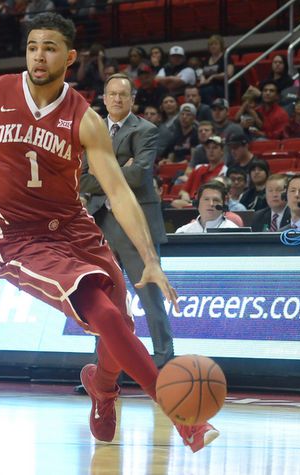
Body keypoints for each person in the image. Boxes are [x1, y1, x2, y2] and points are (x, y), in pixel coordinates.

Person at [0, 12, 218, 452]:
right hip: (21, 238)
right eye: (31, 46)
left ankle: (102, 388)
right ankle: (182, 417)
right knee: (104, 316)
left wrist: (150, 261)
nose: (38, 56)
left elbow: (119, 193)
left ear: (69, 57)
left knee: (119, 321)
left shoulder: (85, 118)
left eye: (48, 48)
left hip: (75, 228)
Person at [80, 73, 173, 368]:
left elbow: (139, 174)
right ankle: (103, 369)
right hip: (100, 221)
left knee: (149, 297)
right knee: (103, 302)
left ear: (132, 99)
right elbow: (79, 179)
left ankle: (163, 364)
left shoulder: (145, 130)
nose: (117, 99)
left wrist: (101, 176)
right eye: (112, 94)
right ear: (104, 98)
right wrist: (120, 169)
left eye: (123, 94)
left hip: (136, 223)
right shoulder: (91, 130)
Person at [175, 182, 240, 233]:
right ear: (197, 203)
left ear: (223, 204)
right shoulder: (182, 232)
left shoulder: (233, 231)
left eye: (216, 200)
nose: (211, 204)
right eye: (206, 199)